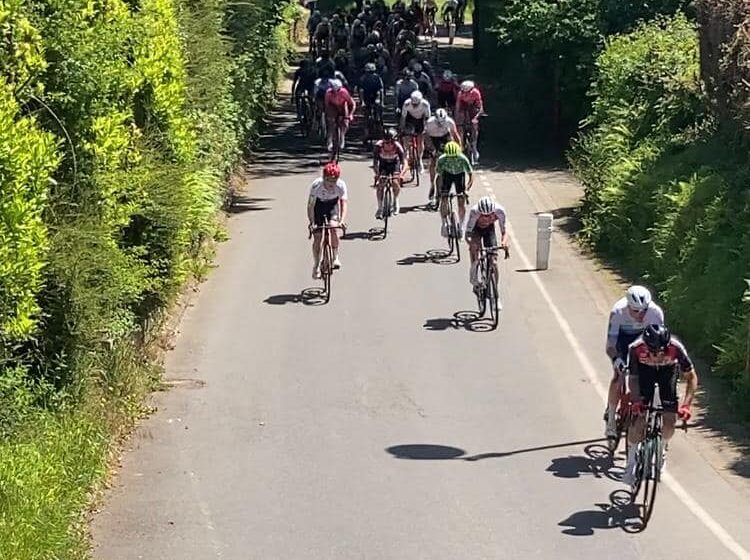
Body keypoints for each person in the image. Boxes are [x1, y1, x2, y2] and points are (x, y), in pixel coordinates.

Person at [621, 324, 698, 487]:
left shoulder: (676, 348)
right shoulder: (635, 348)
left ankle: (661, 449)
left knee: (670, 421)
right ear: (646, 346)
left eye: (662, 351)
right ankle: (631, 463)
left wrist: (686, 405)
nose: (658, 355)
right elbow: (633, 378)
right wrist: (636, 401)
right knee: (639, 418)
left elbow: (691, 377)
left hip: (667, 372)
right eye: (654, 352)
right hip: (644, 372)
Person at [604, 285, 665, 438]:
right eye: (636, 311)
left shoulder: (655, 313)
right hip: (623, 341)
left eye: (644, 310)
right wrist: (616, 359)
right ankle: (611, 418)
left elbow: (660, 341)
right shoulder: (618, 312)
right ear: (628, 306)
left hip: (644, 340)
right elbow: (610, 345)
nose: (641, 314)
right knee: (619, 376)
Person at [308, 162, 348, 279]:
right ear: (323, 178)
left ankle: (335, 256)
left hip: (332, 206)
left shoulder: (341, 185)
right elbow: (310, 205)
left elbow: (344, 204)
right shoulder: (316, 185)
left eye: (334, 180)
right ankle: (316, 265)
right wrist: (312, 222)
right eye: (328, 180)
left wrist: (342, 220)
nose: (331, 183)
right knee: (318, 237)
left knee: (334, 228)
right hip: (318, 207)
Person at [465, 196, 510, 293]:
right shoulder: (474, 211)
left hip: (489, 230)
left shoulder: (500, 211)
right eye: (483, 216)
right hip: (476, 230)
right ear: (479, 213)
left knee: (494, 261)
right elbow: (468, 234)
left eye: (489, 215)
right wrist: (471, 244)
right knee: (474, 251)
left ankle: (495, 291)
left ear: (494, 212)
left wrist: (504, 243)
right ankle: (474, 275)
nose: (486, 218)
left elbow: (504, 232)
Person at [435, 140, 472, 237]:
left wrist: (467, 189)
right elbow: (439, 177)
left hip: (459, 175)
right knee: (444, 199)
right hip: (447, 175)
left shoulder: (463, 158)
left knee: (461, 200)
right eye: (449, 157)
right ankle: (444, 223)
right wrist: (439, 192)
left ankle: (461, 226)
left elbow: (471, 175)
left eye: (454, 157)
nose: (452, 159)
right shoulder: (441, 159)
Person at [424, 108, 460, 204]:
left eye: (442, 122)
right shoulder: (429, 122)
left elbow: (455, 135)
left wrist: (459, 149)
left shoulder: (450, 122)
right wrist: (431, 149)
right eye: (438, 122)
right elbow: (426, 137)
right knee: (433, 161)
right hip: (433, 139)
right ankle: (432, 183)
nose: (440, 124)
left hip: (445, 138)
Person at [372, 128, 406, 218]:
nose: (389, 145)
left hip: (395, 164)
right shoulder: (378, 146)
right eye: (386, 142)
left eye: (391, 142)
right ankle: (380, 207)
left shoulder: (398, 147)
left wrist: (402, 174)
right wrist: (377, 174)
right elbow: (375, 163)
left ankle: (396, 200)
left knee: (395, 182)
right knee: (380, 184)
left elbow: (404, 162)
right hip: (383, 164)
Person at [400, 90, 430, 174]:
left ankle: (419, 159)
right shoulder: (407, 103)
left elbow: (427, 117)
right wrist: (402, 128)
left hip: (420, 120)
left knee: (420, 140)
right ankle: (406, 153)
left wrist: (426, 129)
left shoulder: (425, 104)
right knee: (407, 135)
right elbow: (403, 117)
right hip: (410, 119)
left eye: (416, 104)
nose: (414, 106)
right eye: (413, 104)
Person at [455, 80, 484, 162]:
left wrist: (476, 117)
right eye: (463, 91)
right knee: (460, 121)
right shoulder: (460, 93)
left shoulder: (476, 92)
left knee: (474, 124)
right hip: (464, 107)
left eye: (467, 91)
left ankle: (474, 145)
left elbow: (479, 107)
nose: (465, 93)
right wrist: (457, 119)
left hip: (474, 107)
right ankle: (461, 143)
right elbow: (458, 106)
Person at [324, 79, 356, 152]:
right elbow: (327, 105)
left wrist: (350, 114)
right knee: (331, 123)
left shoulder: (344, 92)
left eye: (338, 90)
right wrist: (329, 116)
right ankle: (329, 140)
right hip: (333, 106)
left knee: (345, 123)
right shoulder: (328, 93)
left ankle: (342, 136)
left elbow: (352, 104)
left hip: (342, 105)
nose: (336, 92)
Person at [358, 63, 385, 134]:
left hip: (376, 96)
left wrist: (381, 101)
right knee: (366, 114)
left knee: (379, 111)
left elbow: (381, 90)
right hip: (366, 97)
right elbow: (361, 91)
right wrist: (362, 101)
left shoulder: (378, 78)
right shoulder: (362, 78)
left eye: (372, 72)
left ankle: (380, 127)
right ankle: (366, 131)